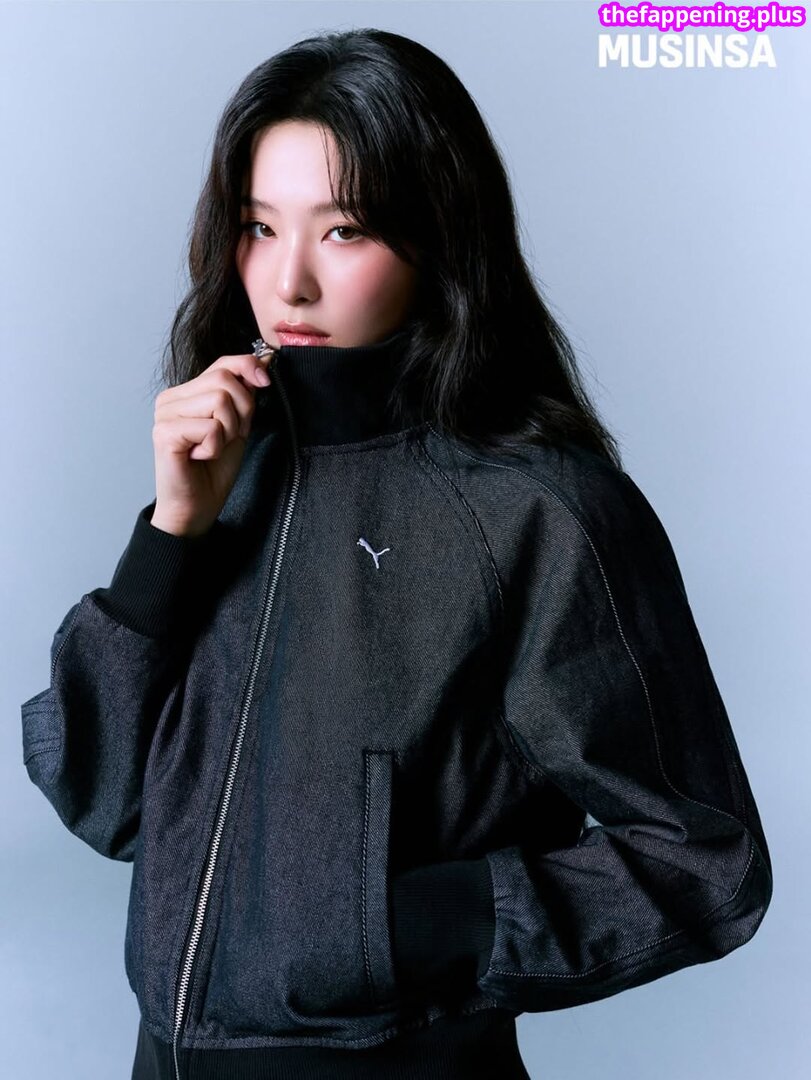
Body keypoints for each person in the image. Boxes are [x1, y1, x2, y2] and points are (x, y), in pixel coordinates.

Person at [21, 27, 772, 1080]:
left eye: (345, 230)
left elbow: (705, 858)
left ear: (437, 238)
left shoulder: (533, 510)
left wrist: (411, 925)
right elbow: (101, 798)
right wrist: (170, 534)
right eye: (257, 227)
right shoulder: (229, 470)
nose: (287, 283)